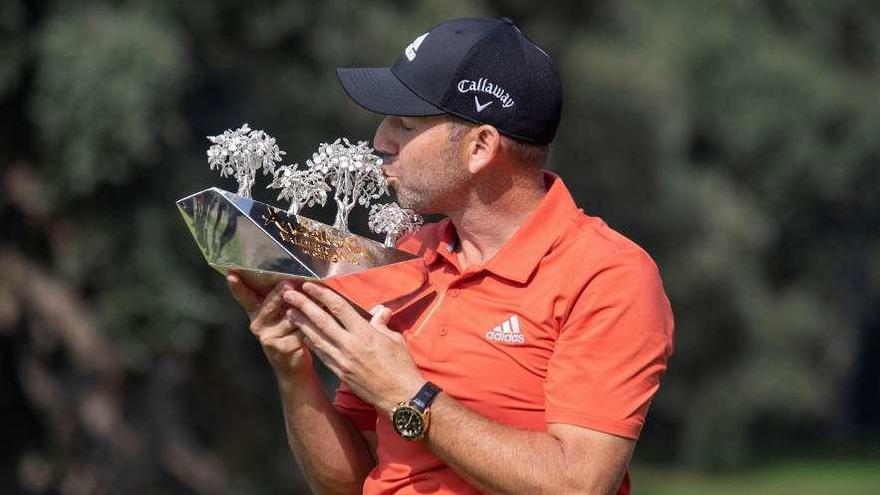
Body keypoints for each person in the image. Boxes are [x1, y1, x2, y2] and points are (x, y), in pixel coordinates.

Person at [227, 17, 674, 495]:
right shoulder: (405, 256)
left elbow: (578, 485)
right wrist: (294, 374)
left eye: (405, 123)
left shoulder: (608, 275)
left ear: (480, 146)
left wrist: (407, 395)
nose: (381, 141)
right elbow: (350, 483)